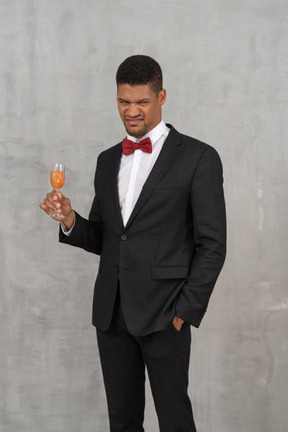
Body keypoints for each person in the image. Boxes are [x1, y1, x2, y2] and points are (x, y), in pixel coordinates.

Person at [40, 55, 226, 432]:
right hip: (111, 315)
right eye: (124, 102)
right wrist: (71, 221)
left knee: (174, 420)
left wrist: (183, 312)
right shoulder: (107, 160)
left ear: (161, 97)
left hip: (164, 314)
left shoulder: (198, 157)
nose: (132, 111)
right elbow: (110, 238)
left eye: (142, 101)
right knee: (122, 423)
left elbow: (213, 244)